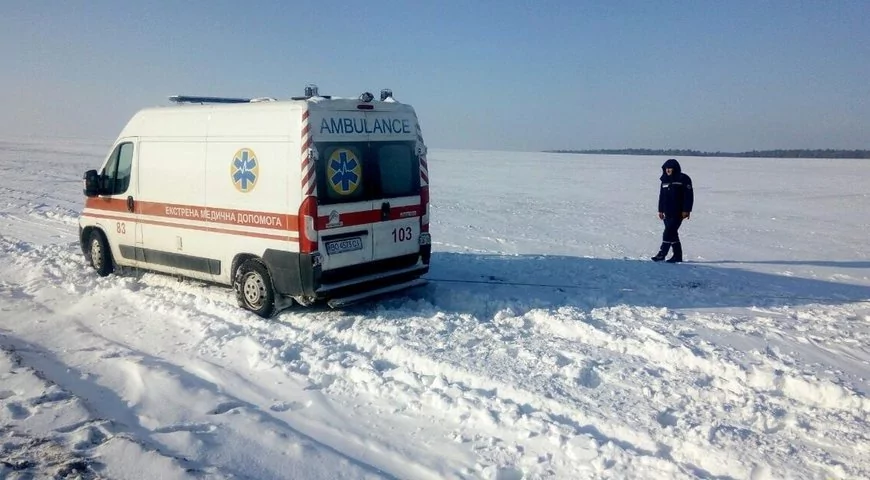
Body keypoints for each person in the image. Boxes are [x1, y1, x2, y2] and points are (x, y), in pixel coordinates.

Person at [652, 158, 693, 263]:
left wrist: (687, 210)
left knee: (668, 232)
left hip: (678, 211)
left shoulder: (683, 178)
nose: (668, 170)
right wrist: (660, 210)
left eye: (670, 168)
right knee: (673, 233)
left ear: (675, 168)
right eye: (666, 168)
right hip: (667, 211)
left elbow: (688, 196)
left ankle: (662, 253)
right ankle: (677, 255)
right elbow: (662, 196)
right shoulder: (664, 179)